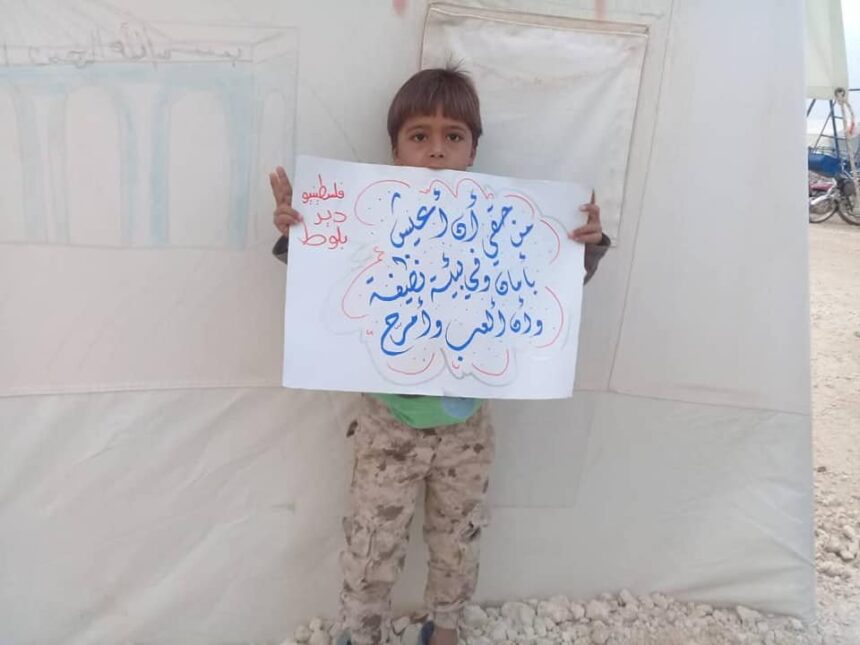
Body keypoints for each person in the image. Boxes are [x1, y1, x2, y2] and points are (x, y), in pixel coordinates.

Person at [269, 66, 609, 645]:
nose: (436, 150)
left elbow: (543, 288)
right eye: (419, 135)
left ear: (473, 151)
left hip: (465, 428)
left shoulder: (499, 222)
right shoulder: (372, 218)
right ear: (395, 150)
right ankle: (360, 632)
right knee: (371, 543)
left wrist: (584, 245)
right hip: (387, 425)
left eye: (453, 136)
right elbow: (323, 285)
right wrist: (299, 233)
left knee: (459, 537)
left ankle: (445, 628)